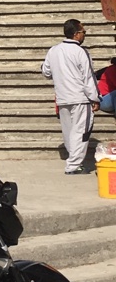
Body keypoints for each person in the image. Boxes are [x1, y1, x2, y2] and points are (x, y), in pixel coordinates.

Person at [41, 19, 99, 175]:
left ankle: (72, 160)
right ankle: (74, 165)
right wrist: (94, 98)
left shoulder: (53, 50)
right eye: (83, 32)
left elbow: (45, 71)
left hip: (63, 97)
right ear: (76, 34)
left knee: (69, 131)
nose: (84, 35)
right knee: (81, 131)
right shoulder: (81, 52)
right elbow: (88, 77)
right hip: (80, 98)